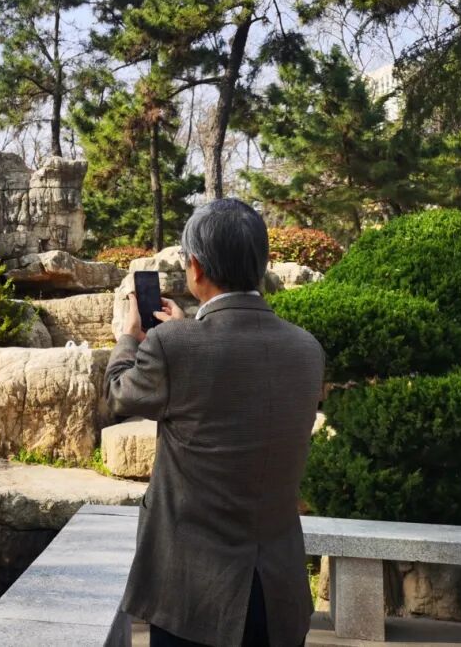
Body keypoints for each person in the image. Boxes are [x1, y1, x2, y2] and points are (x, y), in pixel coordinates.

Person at [105, 198, 324, 647]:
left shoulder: (173, 346)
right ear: (261, 264)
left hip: (193, 595)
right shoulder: (307, 349)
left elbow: (118, 395)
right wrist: (186, 328)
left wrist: (129, 338)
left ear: (196, 267)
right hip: (278, 593)